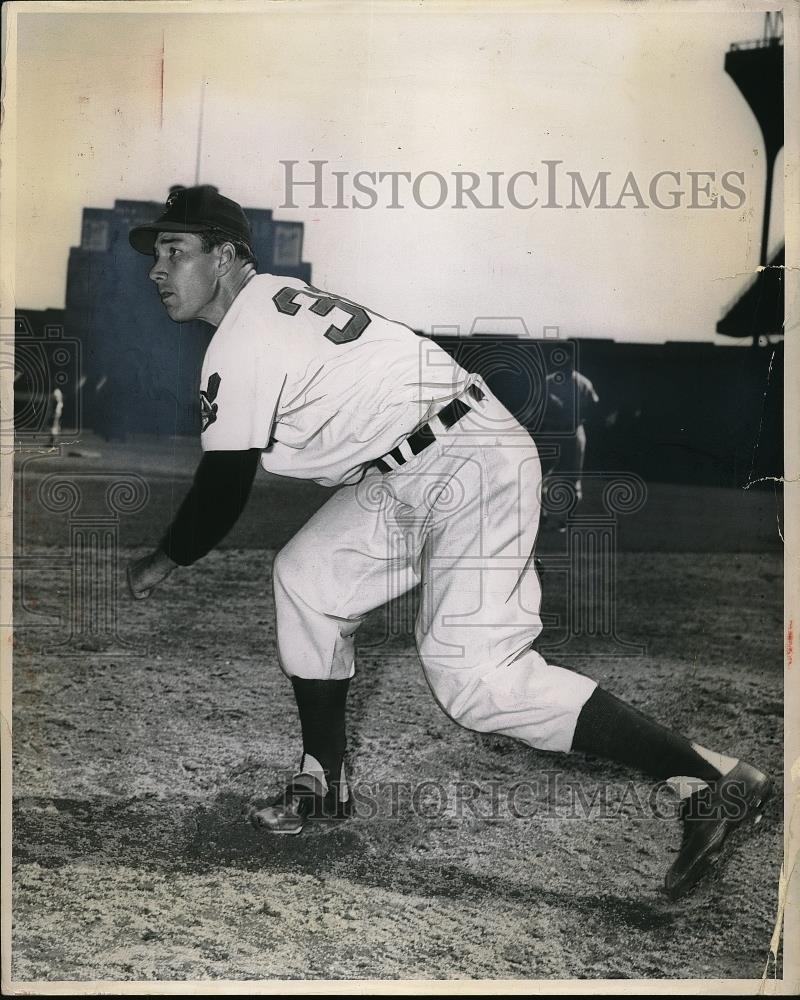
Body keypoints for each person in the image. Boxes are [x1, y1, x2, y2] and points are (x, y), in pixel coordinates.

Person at [126, 185, 771, 901]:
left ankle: (713, 779)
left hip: (467, 462)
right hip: (419, 464)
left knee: (477, 681)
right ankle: (324, 778)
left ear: (226, 256)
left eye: (176, 252)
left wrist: (164, 558)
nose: (158, 270)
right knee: (309, 576)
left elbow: (222, 488)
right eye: (157, 254)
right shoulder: (274, 301)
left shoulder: (243, 336)